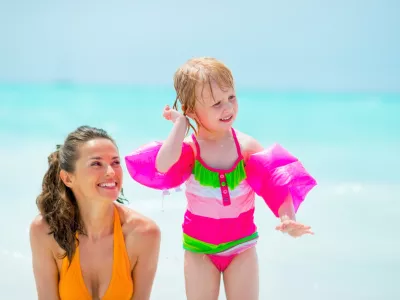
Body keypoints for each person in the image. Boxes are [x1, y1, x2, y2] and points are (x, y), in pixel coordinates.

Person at [124, 57, 317, 300]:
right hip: (199, 250)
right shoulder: (191, 149)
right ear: (191, 110)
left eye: (231, 98)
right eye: (216, 103)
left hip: (241, 247)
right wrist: (180, 126)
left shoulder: (245, 146)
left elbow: (274, 183)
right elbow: (162, 165)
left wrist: (288, 218)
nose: (228, 108)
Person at [29, 125, 161, 300]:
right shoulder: (46, 230)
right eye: (96, 163)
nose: (111, 172)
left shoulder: (143, 233)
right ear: (68, 178)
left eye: (115, 162)